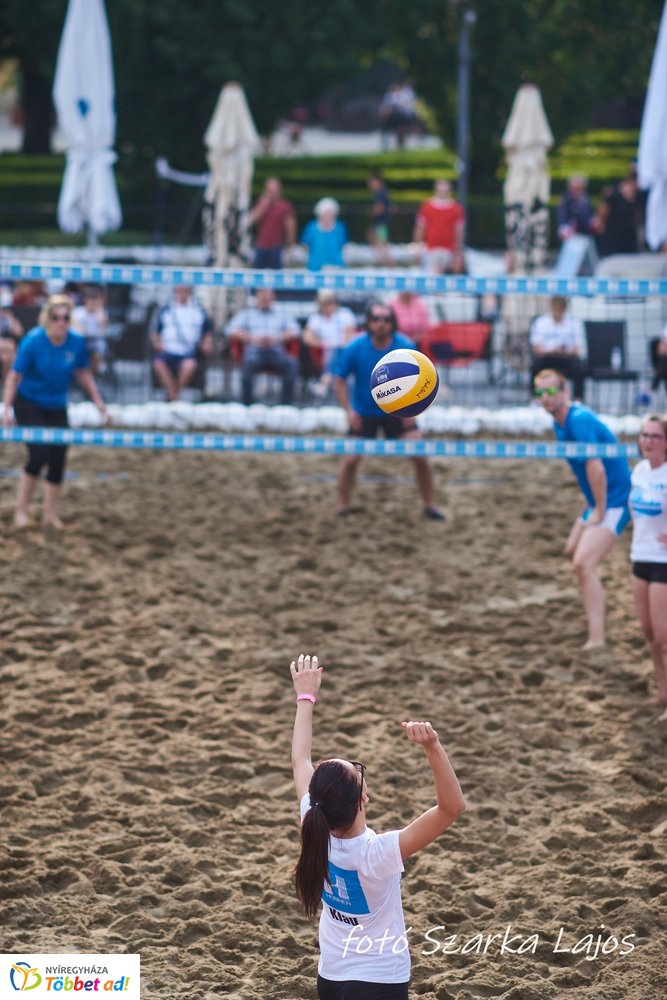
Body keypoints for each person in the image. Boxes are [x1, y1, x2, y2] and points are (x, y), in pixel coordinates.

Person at [290, 652, 465, 999]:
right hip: (380, 981)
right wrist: (433, 747)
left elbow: (300, 758)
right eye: (357, 770)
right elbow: (452, 808)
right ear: (363, 799)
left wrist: (305, 698)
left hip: (331, 975)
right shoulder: (378, 854)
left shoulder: (314, 820)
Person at [533, 368, 631, 649]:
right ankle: (593, 607)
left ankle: (597, 638)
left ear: (564, 392)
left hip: (615, 500)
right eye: (541, 392)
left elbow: (596, 468)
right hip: (598, 499)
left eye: (551, 391)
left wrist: (598, 510)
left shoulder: (578, 419)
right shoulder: (560, 422)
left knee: (583, 564)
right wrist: (592, 504)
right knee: (571, 552)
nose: (546, 398)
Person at [1, 294, 111, 529]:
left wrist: (100, 406)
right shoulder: (33, 341)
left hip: (56, 404)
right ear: (47, 318)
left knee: (58, 458)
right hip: (28, 402)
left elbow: (84, 375)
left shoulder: (76, 342)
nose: (61, 322)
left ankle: (50, 516)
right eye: (55, 317)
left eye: (65, 317)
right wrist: (6, 409)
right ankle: (21, 511)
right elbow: (14, 376)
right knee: (39, 455)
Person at [332, 303, 445, 519]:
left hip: (399, 413)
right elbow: (339, 381)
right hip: (363, 413)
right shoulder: (356, 347)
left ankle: (430, 506)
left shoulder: (406, 348)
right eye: (376, 319)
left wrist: (412, 414)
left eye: (386, 319)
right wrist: (349, 412)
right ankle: (342, 507)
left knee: (420, 456)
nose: (381, 323)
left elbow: (426, 382)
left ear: (392, 323)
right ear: (368, 323)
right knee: (350, 459)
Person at [628, 413, 667, 722]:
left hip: (663, 561)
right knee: (650, 633)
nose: (649, 441)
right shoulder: (639, 471)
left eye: (656, 436)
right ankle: (662, 691)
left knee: (665, 636)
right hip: (639, 555)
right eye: (645, 435)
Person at [226, 288, 300, 406]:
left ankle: (286, 405)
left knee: (291, 364)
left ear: (273, 298)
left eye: (268, 296)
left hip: (276, 353)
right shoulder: (247, 314)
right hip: (254, 353)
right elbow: (232, 330)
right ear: (256, 297)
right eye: (262, 296)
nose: (265, 299)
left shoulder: (282, 314)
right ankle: (247, 404)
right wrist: (251, 338)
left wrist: (277, 338)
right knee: (248, 363)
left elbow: (295, 330)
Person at [151, 285, 213, 402]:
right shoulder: (166, 309)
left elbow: (207, 333)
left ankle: (174, 395)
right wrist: (157, 343)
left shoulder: (199, 310)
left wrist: (206, 344)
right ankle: (174, 395)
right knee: (158, 363)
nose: (182, 293)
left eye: (185, 290)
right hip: (167, 350)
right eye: (179, 290)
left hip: (188, 351)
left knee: (190, 365)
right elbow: (155, 333)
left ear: (190, 292)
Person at [529, 296, 587, 400]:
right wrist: (552, 350)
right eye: (555, 309)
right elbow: (536, 349)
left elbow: (578, 350)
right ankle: (535, 398)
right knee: (535, 366)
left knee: (579, 368)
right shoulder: (541, 322)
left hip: (566, 358)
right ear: (551, 308)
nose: (558, 313)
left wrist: (564, 351)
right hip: (547, 357)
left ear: (565, 309)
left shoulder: (574, 323)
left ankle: (578, 400)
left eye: (560, 309)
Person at [302, 291, 357, 398]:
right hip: (326, 352)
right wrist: (323, 344)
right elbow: (306, 337)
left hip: (346, 349)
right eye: (325, 302)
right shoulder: (316, 318)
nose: (328, 305)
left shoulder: (345, 313)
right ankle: (330, 380)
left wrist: (339, 345)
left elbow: (349, 335)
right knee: (333, 351)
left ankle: (325, 381)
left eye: (330, 301)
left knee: (338, 350)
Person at [413, 181, 465, 273]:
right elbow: (420, 227)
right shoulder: (427, 206)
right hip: (430, 249)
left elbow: (459, 230)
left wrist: (458, 249)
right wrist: (417, 246)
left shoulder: (456, 208)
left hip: (449, 250)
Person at [249, 177, 296, 269]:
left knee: (276, 278)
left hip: (276, 247)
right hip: (261, 245)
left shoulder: (284, 206)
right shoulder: (261, 204)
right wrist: (263, 205)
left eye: (275, 190)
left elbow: (290, 228)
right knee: (257, 276)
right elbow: (253, 220)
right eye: (270, 190)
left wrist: (290, 246)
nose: (272, 193)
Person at [597, 174, 643, 257]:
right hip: (613, 237)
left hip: (629, 238)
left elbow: (638, 215)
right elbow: (603, 210)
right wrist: (602, 225)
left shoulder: (638, 196)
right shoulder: (614, 194)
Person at [301, 198, 349, 271]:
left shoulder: (339, 228)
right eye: (326, 213)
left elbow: (344, 246)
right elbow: (305, 245)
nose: (329, 216)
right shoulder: (312, 227)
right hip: (315, 267)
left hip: (336, 266)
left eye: (331, 213)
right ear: (320, 214)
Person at [71, 285, 109, 375]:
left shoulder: (100, 313)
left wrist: (100, 308)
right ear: (85, 300)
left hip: (95, 344)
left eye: (94, 300)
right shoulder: (78, 312)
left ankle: (89, 377)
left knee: (97, 356)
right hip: (80, 343)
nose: (92, 302)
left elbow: (103, 327)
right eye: (90, 299)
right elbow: (76, 328)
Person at [557, 176, 599, 242]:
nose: (577, 191)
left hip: (585, 234)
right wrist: (565, 228)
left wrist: (593, 221)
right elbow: (562, 216)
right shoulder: (565, 199)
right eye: (575, 189)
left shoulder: (586, 198)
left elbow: (589, 214)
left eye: (580, 189)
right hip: (569, 234)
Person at [0, 302, 24, 382]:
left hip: (6, 349)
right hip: (6, 345)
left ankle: (8, 380)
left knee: (6, 357)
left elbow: (19, 332)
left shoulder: (7, 319)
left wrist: (12, 319)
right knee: (10, 345)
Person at [367, 171, 392, 246]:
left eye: (371, 181)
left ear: (377, 182)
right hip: (383, 223)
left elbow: (379, 208)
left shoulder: (379, 193)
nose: (370, 184)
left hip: (381, 224)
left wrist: (371, 212)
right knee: (379, 242)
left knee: (381, 244)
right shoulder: (384, 192)